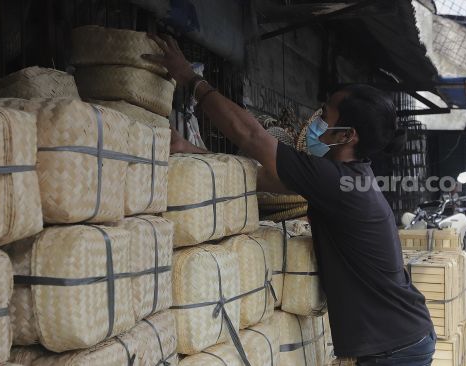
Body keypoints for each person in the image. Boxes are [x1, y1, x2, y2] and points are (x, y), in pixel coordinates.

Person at [143, 34, 435, 365]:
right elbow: (259, 177)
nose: (316, 119)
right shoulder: (344, 179)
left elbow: (251, 136)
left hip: (394, 348)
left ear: (347, 136)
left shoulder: (336, 181)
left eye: (325, 113)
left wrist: (192, 80)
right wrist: (189, 151)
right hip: (401, 338)